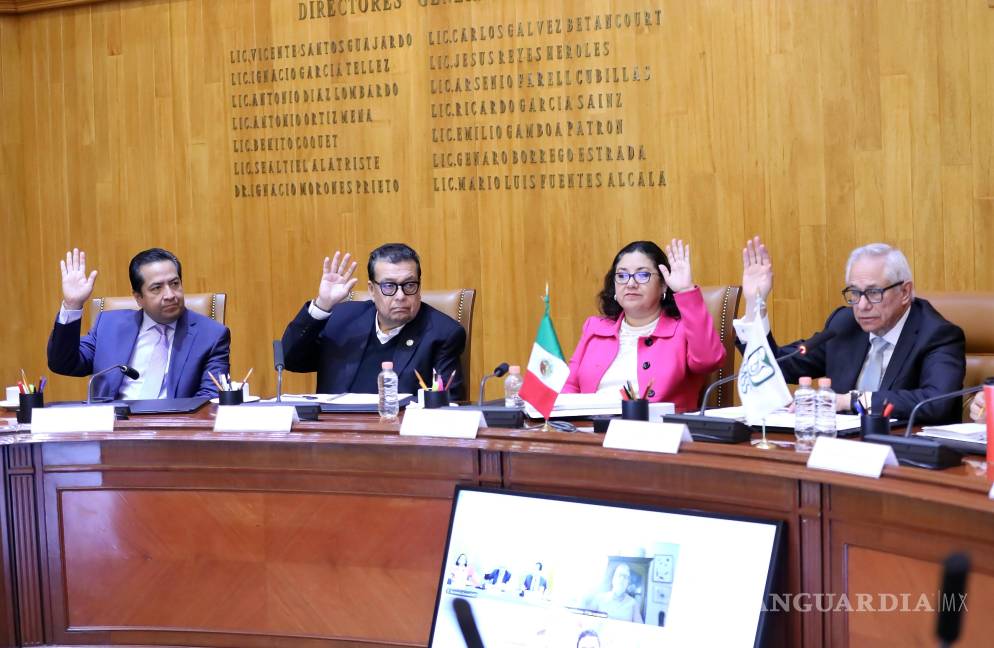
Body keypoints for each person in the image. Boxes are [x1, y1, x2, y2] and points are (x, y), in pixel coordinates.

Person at [738, 236, 965, 424]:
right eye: (855, 294)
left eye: (874, 293)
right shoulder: (845, 324)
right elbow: (779, 365)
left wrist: (850, 401)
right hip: (840, 451)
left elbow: (936, 402)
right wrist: (754, 304)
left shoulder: (936, 335)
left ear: (905, 292)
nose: (862, 306)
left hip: (903, 458)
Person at [281, 244, 467, 398]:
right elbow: (290, 360)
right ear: (371, 290)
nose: (400, 296)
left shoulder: (442, 334)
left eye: (410, 285)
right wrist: (322, 305)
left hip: (399, 437)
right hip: (336, 433)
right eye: (389, 286)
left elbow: (450, 403)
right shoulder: (343, 319)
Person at [561, 239, 725, 412]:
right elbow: (569, 387)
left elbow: (710, 361)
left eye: (642, 275)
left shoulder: (683, 330)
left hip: (659, 432)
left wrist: (685, 290)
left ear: (663, 285)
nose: (631, 283)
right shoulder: (594, 328)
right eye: (622, 276)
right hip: (591, 431)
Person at [47, 248, 230, 399]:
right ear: (138, 298)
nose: (170, 295)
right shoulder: (109, 326)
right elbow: (63, 363)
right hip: (113, 430)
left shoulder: (212, 336)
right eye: (156, 288)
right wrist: (72, 305)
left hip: (173, 431)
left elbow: (210, 396)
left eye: (174, 284)